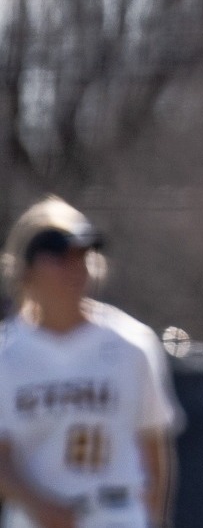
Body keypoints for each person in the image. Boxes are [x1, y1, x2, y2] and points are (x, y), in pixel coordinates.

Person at [0, 196, 183, 528]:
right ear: (27, 268)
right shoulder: (7, 353)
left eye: (82, 256)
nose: (75, 267)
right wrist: (37, 504)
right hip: (35, 520)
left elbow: (153, 452)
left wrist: (155, 520)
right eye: (60, 256)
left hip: (115, 513)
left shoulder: (131, 343)